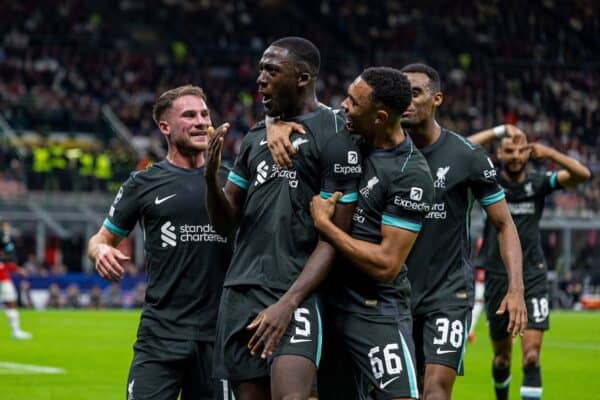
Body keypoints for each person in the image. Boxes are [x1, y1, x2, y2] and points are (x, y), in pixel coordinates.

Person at [204, 37, 362, 400]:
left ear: (303, 78)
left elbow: (334, 237)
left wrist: (289, 303)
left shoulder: (337, 133)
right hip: (241, 291)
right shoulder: (256, 136)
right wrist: (210, 177)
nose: (260, 78)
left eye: (271, 71)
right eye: (260, 69)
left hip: (297, 291)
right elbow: (225, 223)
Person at [87, 85, 232, 400]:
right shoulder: (142, 183)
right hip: (160, 337)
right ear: (165, 127)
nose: (201, 122)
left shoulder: (232, 180)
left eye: (205, 114)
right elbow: (101, 237)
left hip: (218, 338)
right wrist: (100, 250)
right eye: (189, 115)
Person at [398, 63, 527, 400]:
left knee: (436, 389)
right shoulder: (382, 153)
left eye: (415, 92)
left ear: (437, 98)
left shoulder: (466, 156)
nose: (406, 101)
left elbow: (504, 224)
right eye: (401, 93)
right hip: (393, 295)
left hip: (448, 294)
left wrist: (516, 289)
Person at [309, 67, 434, 400]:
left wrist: (325, 226)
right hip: (327, 302)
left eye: (353, 101)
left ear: (379, 117)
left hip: (374, 308)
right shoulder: (348, 129)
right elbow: (300, 110)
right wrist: (273, 126)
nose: (343, 106)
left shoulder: (411, 175)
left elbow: (386, 265)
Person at [476, 129, 591, 400]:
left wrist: (550, 153)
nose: (515, 156)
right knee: (502, 358)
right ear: (499, 154)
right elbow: (456, 148)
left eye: (520, 150)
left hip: (533, 277)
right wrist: (498, 131)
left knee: (530, 356)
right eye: (509, 151)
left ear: (528, 152)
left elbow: (582, 175)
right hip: (497, 277)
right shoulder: (487, 182)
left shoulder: (538, 184)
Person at [0, 222, 32, 339]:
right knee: (11, 301)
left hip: (3, 276)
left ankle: (16, 331)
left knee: (11, 301)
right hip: (2, 277)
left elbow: (7, 258)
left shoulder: (5, 240)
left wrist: (16, 269)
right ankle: (15, 331)